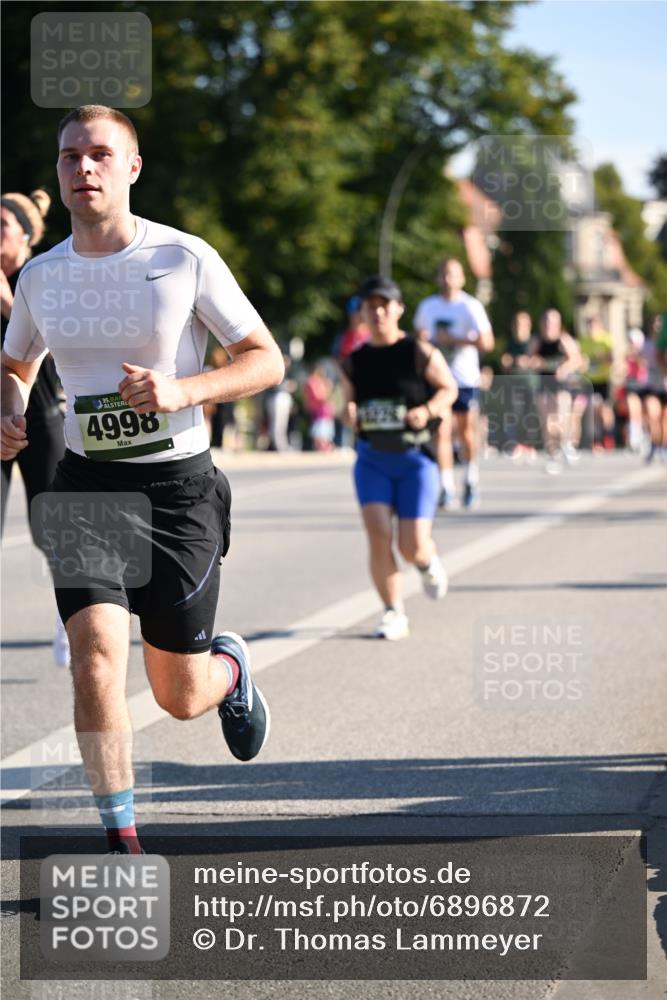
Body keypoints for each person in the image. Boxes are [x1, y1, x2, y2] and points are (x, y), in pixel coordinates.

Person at [0, 105, 285, 855]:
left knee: (179, 695)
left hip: (179, 492)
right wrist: (9, 409)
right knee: (94, 656)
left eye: (99, 154)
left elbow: (265, 357)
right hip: (85, 488)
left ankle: (228, 667)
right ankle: (120, 834)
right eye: (69, 157)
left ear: (130, 167)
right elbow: (16, 362)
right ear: (57, 173)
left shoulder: (183, 257)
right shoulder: (41, 275)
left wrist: (181, 391)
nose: (82, 168)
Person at [341, 275, 457, 641]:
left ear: (398, 309)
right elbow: (346, 401)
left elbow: (448, 388)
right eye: (370, 306)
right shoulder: (355, 360)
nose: (377, 312)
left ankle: (426, 561)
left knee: (412, 546)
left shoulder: (418, 351)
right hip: (373, 458)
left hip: (415, 460)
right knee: (378, 535)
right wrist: (350, 412)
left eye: (384, 305)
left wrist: (427, 409)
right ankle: (393, 611)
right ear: (362, 312)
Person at [0, 188, 70, 667]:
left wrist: (8, 301)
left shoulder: (42, 275)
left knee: (49, 530)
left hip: (41, 419)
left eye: (2, 226)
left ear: (25, 235)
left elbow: (55, 339)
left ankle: (74, 614)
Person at [414, 258, 494, 509]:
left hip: (465, 378)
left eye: (454, 275)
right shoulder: (428, 307)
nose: (449, 279)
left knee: (467, 433)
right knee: (442, 432)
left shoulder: (470, 307)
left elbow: (487, 343)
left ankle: (470, 479)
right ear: (439, 278)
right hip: (439, 380)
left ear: (462, 279)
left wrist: (456, 340)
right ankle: (446, 487)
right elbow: (418, 341)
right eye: (444, 274)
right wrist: (427, 343)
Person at [529, 309, 584, 474]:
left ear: (558, 324)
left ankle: (566, 444)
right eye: (546, 321)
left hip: (560, 385)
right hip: (543, 384)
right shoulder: (537, 340)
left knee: (561, 418)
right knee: (547, 422)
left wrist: (564, 368)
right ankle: (552, 454)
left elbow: (577, 359)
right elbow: (529, 358)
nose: (548, 325)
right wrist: (536, 363)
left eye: (552, 322)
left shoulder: (563, 340)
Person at [578, 315, 615, 450]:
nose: (591, 329)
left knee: (604, 410)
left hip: (603, 380)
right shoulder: (583, 341)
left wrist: (602, 357)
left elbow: (611, 360)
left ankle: (608, 435)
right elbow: (580, 360)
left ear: (599, 326)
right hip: (589, 381)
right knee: (591, 409)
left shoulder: (606, 339)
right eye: (589, 326)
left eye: (593, 326)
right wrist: (582, 364)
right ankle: (596, 440)